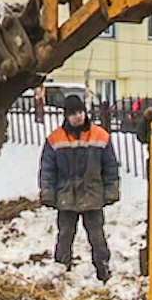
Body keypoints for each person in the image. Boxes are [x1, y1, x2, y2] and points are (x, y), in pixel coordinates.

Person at [39, 94, 119, 280]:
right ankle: (61, 268)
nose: (79, 116)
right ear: (66, 115)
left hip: (92, 196)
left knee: (97, 236)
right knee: (65, 235)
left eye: (81, 112)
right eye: (74, 113)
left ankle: (103, 268)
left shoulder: (100, 136)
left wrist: (111, 190)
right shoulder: (55, 139)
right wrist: (48, 193)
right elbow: (47, 169)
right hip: (66, 197)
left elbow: (110, 166)